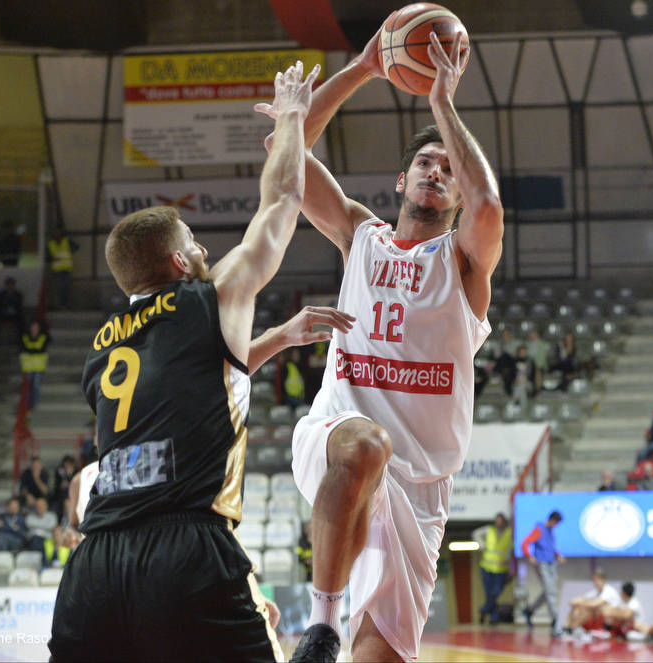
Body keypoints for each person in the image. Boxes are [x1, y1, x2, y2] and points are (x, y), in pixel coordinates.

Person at [49, 61, 328, 662]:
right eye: (193, 242)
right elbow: (281, 199)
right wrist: (291, 118)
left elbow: (196, 390)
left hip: (95, 563)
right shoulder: (211, 296)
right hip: (186, 549)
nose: (204, 249)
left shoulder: (104, 347)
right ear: (179, 263)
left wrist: (277, 338)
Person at [255, 26, 502, 663]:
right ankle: (321, 626)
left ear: (456, 194)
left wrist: (443, 105)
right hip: (339, 437)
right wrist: (365, 67)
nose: (436, 171)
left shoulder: (466, 263)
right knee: (366, 441)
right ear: (401, 180)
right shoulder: (360, 236)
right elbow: (287, 153)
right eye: (425, 162)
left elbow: (490, 209)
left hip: (422, 489)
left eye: (448, 168)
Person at [521, 511, 565, 637]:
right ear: (552, 520)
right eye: (556, 523)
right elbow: (525, 543)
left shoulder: (551, 531)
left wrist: (558, 555)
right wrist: (529, 556)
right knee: (550, 592)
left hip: (552, 563)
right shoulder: (539, 529)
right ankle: (555, 620)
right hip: (542, 564)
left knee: (549, 591)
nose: (556, 526)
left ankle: (530, 610)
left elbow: (550, 547)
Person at [473, 513, 512, 625]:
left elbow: (511, 549)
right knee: (489, 593)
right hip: (487, 567)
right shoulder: (488, 530)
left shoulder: (510, 533)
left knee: (496, 592)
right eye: (497, 520)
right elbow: (475, 533)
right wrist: (482, 545)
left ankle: (484, 609)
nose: (498, 523)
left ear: (504, 522)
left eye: (500, 521)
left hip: (501, 569)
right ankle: (493, 617)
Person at [564, 568, 621, 634]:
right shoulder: (595, 591)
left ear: (603, 580)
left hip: (611, 619)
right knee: (577, 609)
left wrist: (580, 603)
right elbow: (576, 600)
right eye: (594, 580)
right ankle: (567, 628)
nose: (595, 582)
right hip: (599, 617)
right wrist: (577, 602)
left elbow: (594, 604)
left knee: (591, 609)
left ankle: (571, 629)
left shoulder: (609, 591)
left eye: (597, 579)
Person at [19, 319, 50, 412]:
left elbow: (40, 348)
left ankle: (34, 403)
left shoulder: (43, 337)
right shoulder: (25, 337)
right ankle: (28, 404)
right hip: (28, 366)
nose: (34, 329)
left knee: (36, 384)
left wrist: (31, 351)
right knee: (27, 385)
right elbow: (23, 348)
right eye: (33, 327)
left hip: (38, 365)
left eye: (36, 328)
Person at [47, 224, 79, 309]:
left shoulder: (66, 241)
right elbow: (47, 256)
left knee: (66, 288)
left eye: (59, 232)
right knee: (59, 288)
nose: (58, 233)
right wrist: (51, 259)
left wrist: (70, 250)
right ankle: (60, 305)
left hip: (66, 269)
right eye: (56, 232)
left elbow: (76, 247)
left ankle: (65, 304)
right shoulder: (51, 243)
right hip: (57, 270)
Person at [0, 277, 25, 344]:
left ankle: (21, 341)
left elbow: (19, 306)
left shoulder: (18, 295)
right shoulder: (0, 295)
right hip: (3, 314)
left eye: (12, 285)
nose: (10, 286)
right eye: (8, 285)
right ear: (6, 286)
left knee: (22, 321)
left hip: (14, 314)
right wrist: (5, 310)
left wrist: (13, 310)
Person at [24, 497, 58, 567]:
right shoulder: (30, 516)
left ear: (46, 506)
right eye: (38, 506)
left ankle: (46, 564)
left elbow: (51, 525)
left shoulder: (52, 516)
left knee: (46, 545)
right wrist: (45, 526)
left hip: (48, 540)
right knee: (37, 540)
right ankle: (46, 564)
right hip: (33, 541)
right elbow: (28, 523)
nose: (40, 508)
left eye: (42, 506)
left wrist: (36, 528)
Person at [50, 454, 76, 522]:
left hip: (73, 496)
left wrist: (69, 477)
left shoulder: (76, 472)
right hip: (60, 496)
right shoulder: (59, 472)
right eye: (65, 464)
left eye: (69, 464)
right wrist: (61, 485)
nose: (67, 466)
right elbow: (55, 487)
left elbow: (77, 485)